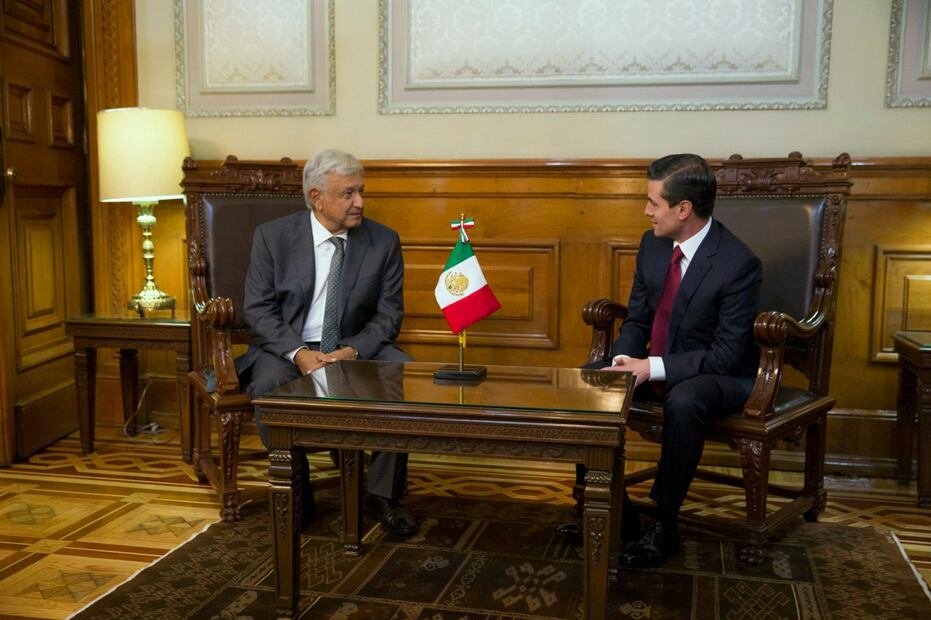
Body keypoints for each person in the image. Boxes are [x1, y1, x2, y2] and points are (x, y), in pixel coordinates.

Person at [586, 153, 762, 568]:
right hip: (659, 363)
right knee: (588, 381)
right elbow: (638, 317)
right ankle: (613, 512)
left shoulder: (738, 264)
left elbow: (728, 354)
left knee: (684, 401)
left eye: (653, 202)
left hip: (720, 375)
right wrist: (623, 359)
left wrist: (651, 367)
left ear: (683, 209)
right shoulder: (652, 244)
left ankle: (664, 523)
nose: (646, 211)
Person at [240, 149, 417, 537]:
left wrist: (351, 351)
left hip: (355, 345)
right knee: (269, 386)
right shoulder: (273, 237)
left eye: (361, 191)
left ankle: (382, 495)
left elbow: (388, 315)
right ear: (316, 197)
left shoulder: (383, 241)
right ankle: (297, 490)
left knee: (401, 376)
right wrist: (300, 354)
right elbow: (258, 310)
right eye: (348, 193)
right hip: (288, 347)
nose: (360, 202)